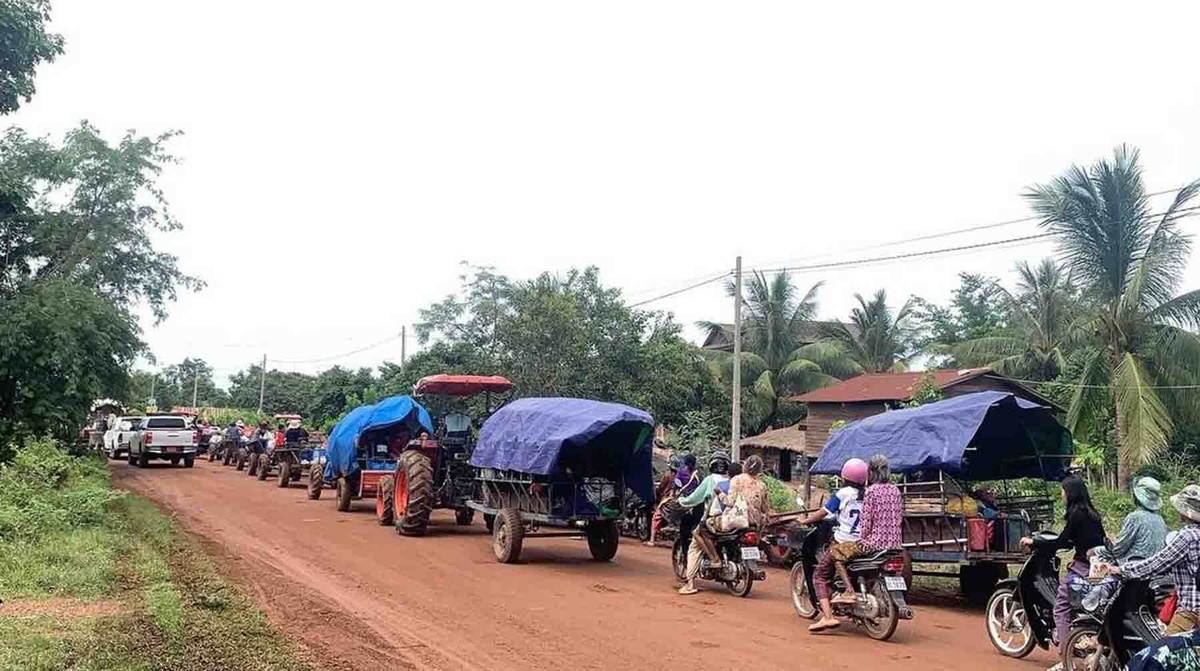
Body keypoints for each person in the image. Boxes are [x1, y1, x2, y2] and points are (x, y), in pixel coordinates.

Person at [1021, 475, 1106, 660]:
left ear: (1070, 493)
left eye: (1063, 491)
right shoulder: (1093, 514)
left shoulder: (1076, 514)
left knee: (1060, 607)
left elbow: (1062, 541)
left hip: (1085, 566)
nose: (1061, 494)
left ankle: (1064, 654)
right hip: (1100, 566)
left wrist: (1034, 541)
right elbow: (1076, 541)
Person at [1112, 484, 1200, 636]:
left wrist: (1122, 570)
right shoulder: (1160, 520)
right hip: (1169, 587)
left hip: (1192, 608)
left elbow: (1158, 562)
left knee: (1163, 653)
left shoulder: (1187, 536)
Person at [803, 457, 868, 632]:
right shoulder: (869, 493)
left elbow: (824, 512)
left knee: (820, 575)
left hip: (844, 542)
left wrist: (806, 520)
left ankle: (828, 617)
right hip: (865, 543)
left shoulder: (843, 493)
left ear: (845, 476)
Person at [676, 451, 732, 595]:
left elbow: (694, 499)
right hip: (732, 521)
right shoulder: (733, 480)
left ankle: (690, 584)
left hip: (714, 520)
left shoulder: (709, 480)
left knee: (694, 545)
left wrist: (681, 501)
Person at [1108, 476, 1168, 564]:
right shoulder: (1160, 519)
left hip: (1134, 566)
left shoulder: (1135, 517)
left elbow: (1118, 549)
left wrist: (1101, 549)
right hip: (1155, 567)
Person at [726, 455, 771, 530]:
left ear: (745, 465)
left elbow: (731, 501)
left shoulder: (736, 480)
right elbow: (765, 507)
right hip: (755, 522)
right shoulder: (762, 485)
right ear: (759, 469)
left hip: (737, 520)